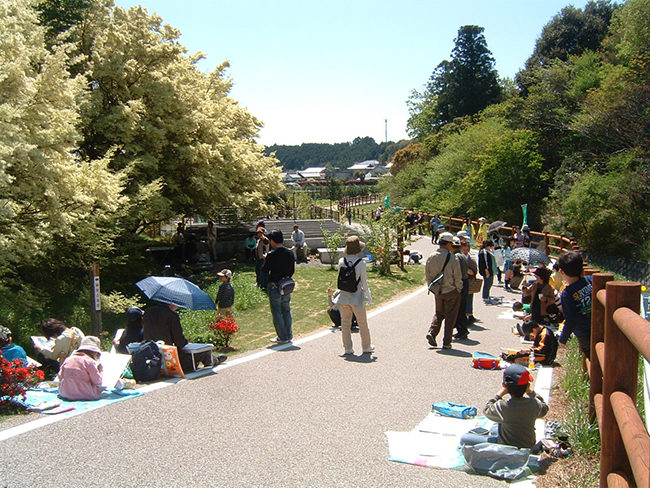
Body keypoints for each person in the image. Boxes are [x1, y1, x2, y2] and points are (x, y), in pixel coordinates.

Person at [460, 364, 548, 449]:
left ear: (504, 385)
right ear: (527, 386)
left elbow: (486, 410)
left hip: (505, 447)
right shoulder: (534, 404)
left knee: (465, 438)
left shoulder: (502, 406)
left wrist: (499, 394)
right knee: (496, 426)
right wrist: (530, 392)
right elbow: (544, 408)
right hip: (528, 446)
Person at [143, 302, 225, 372]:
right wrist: (186, 341)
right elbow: (180, 342)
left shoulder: (148, 312)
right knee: (204, 352)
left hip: (151, 353)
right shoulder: (172, 315)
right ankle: (214, 360)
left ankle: (213, 358)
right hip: (170, 356)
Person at [425, 232, 463, 349]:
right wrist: (459, 288)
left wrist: (432, 287)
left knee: (439, 313)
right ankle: (447, 342)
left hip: (438, 290)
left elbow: (428, 274)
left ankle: (432, 332)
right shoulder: (452, 258)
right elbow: (457, 275)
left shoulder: (431, 257)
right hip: (451, 290)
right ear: (448, 244)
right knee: (450, 316)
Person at [337, 236, 373, 355]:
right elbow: (364, 282)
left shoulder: (341, 261)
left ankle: (348, 348)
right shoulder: (361, 263)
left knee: (345, 323)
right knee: (362, 323)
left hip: (344, 297)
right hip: (356, 297)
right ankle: (366, 347)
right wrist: (369, 295)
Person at [262, 230, 296, 344]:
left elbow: (265, 270)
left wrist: (266, 256)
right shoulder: (290, 253)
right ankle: (288, 334)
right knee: (286, 310)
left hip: (274, 285)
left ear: (272, 240)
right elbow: (292, 271)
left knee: (277, 311)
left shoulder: (272, 254)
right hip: (286, 285)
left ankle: (282, 336)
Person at [558, 251, 593, 358]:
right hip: (600, 325)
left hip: (584, 333)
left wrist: (563, 339)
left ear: (561, 271)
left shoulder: (567, 294)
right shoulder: (591, 280)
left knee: (591, 357)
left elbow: (570, 320)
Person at [58, 336, 105, 401]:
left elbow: (60, 376)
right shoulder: (89, 362)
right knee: (100, 389)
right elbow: (97, 381)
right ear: (95, 353)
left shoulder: (68, 359)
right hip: (85, 394)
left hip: (65, 393)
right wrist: (100, 371)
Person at [459, 232, 479, 324]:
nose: (466, 249)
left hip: (469, 280)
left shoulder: (470, 258)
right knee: (461, 300)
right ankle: (463, 316)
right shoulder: (458, 257)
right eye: (464, 248)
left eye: (467, 247)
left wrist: (470, 271)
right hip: (459, 281)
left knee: (469, 298)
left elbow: (473, 270)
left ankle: (470, 315)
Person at [453, 236, 470, 340]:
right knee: (461, 308)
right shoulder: (462, 255)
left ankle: (462, 329)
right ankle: (461, 329)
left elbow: (456, 272)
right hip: (465, 281)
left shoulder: (456, 257)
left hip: (461, 282)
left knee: (458, 309)